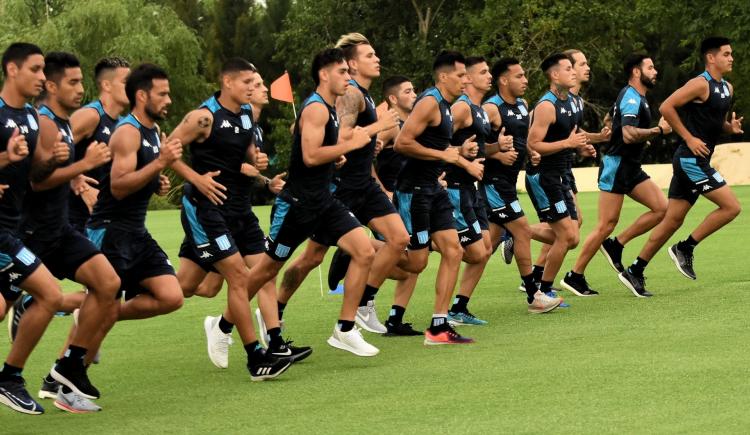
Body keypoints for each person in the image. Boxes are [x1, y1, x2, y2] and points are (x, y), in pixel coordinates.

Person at [170, 58, 309, 371]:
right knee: (235, 278)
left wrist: (256, 161)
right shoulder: (203, 117)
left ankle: (275, 343)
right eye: (248, 82)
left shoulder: (247, 115)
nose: (254, 88)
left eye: (255, 82)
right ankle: (254, 357)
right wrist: (197, 179)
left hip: (240, 210)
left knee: (252, 274)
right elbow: (167, 149)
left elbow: (243, 153)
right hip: (206, 209)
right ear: (228, 82)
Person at [619, 37, 742, 296]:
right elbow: (667, 106)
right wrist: (688, 138)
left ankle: (635, 270)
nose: (731, 58)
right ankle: (685, 247)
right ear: (711, 57)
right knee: (731, 207)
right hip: (689, 159)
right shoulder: (699, 83)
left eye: (731, 54)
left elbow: (711, 120)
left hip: (698, 159)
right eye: (726, 54)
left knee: (672, 219)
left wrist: (728, 128)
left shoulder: (727, 88)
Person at [393, 50, 483, 344]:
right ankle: (364, 255)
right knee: (416, 263)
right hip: (414, 191)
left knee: (454, 251)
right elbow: (402, 143)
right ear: (444, 77)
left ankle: (438, 326)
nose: (465, 80)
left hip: (434, 188)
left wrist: (459, 157)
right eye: (460, 75)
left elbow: (441, 150)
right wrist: (444, 154)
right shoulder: (430, 101)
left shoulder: (447, 105)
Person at [561, 54, 670, 296]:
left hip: (630, 165)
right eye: (650, 67)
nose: (655, 71)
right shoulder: (631, 96)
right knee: (605, 224)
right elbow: (630, 134)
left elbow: (611, 119)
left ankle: (616, 245)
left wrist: (613, 129)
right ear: (636, 72)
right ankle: (574, 275)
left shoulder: (635, 97)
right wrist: (658, 130)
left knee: (662, 208)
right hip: (617, 165)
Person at [482, 57, 561, 313]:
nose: (525, 80)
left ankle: (458, 305)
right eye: (519, 76)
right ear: (503, 80)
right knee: (523, 230)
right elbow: (470, 147)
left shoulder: (523, 105)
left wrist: (530, 151)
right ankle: (534, 296)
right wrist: (496, 154)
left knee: (482, 251)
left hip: (508, 182)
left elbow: (520, 137)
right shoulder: (490, 109)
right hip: (493, 184)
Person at [524, 53, 595, 301]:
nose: (573, 72)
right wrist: (569, 142)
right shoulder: (546, 106)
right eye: (568, 69)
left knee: (570, 237)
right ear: (555, 75)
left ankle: (518, 233)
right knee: (567, 236)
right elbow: (533, 144)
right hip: (546, 178)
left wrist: (581, 147)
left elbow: (571, 137)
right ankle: (542, 290)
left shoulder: (572, 103)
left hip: (562, 176)